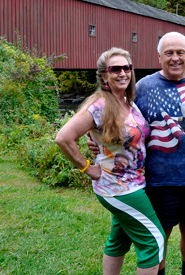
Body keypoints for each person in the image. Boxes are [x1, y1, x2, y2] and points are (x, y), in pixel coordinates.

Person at [89, 32, 185, 275]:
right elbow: (116, 116)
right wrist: (96, 140)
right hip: (158, 180)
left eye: (180, 53)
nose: (175, 58)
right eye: (169, 53)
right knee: (159, 235)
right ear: (159, 57)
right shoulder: (142, 87)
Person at [56, 47, 165, 275]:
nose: (123, 73)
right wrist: (87, 167)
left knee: (119, 240)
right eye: (116, 69)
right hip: (118, 188)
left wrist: (97, 139)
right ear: (104, 75)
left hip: (131, 185)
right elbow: (64, 138)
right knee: (154, 242)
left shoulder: (127, 102)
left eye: (127, 68)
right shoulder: (99, 104)